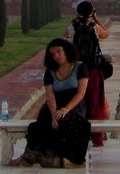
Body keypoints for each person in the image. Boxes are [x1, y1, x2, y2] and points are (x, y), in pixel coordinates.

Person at [12, 38, 91, 168]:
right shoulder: (50, 72)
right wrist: (54, 113)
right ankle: (30, 157)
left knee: (64, 120)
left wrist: (65, 109)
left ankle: (71, 159)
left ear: (66, 50)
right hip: (54, 105)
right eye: (53, 54)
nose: (56, 56)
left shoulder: (80, 67)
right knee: (44, 120)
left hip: (74, 105)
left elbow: (81, 93)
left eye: (59, 51)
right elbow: (50, 95)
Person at [69, 1, 109, 146]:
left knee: (77, 102)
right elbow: (106, 34)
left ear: (77, 12)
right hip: (92, 71)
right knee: (95, 103)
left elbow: (66, 42)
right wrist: (95, 18)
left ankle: (78, 137)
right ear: (91, 12)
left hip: (77, 71)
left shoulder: (71, 28)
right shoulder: (95, 28)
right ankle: (97, 139)